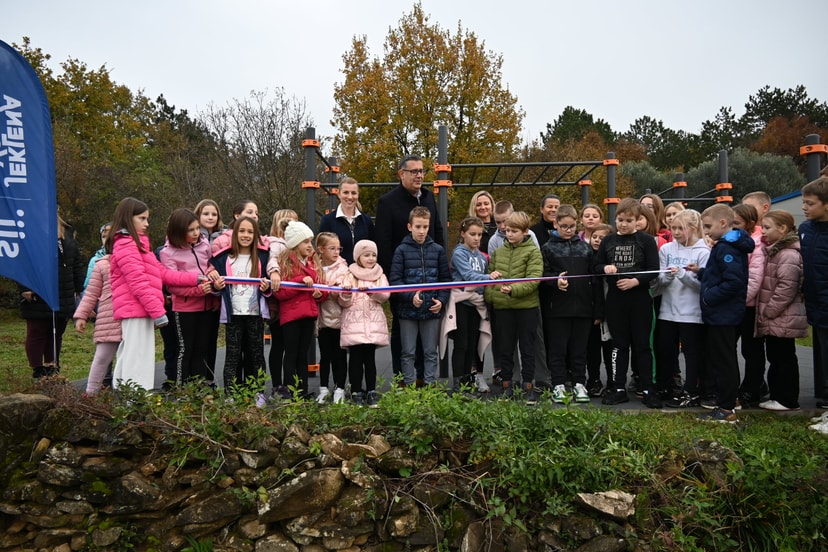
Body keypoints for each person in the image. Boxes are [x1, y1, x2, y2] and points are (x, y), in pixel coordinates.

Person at [108, 197, 203, 390]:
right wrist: (157, 312)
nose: (147, 223)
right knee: (138, 356)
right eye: (142, 218)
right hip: (136, 311)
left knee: (131, 354)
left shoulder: (138, 245)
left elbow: (162, 273)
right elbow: (138, 283)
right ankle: (136, 399)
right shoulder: (127, 245)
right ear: (128, 218)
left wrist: (195, 278)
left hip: (141, 310)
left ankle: (127, 397)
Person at [375, 155, 444, 380]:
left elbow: (437, 230)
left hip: (430, 275)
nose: (419, 175)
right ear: (401, 174)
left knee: (428, 334)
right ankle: (401, 378)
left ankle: (426, 378)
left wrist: (441, 260)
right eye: (414, 171)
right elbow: (383, 242)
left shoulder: (429, 198)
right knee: (403, 335)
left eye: (422, 171)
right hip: (402, 279)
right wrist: (392, 281)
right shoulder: (388, 202)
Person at [593, 198, 662, 408]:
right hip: (615, 300)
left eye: (628, 220)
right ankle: (618, 387)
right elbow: (596, 266)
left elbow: (653, 269)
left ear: (638, 220)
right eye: (620, 220)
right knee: (619, 345)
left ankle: (648, 387)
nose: (623, 224)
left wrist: (635, 281)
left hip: (639, 298)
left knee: (642, 345)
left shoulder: (646, 240)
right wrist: (605, 268)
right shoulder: (608, 240)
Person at [689, 203, 754, 423]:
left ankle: (726, 409)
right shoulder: (724, 245)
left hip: (723, 314)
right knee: (722, 357)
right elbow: (720, 275)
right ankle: (729, 400)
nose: (706, 231)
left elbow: (733, 282)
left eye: (708, 226)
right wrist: (702, 273)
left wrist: (708, 296)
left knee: (724, 360)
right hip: (720, 313)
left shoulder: (727, 248)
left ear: (723, 223)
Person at [541, 204, 600, 403]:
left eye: (572, 226)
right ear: (555, 223)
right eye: (564, 226)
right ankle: (558, 384)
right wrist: (555, 281)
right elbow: (542, 275)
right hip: (557, 309)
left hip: (583, 308)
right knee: (557, 349)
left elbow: (594, 277)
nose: (568, 230)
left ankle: (579, 383)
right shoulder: (547, 248)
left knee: (579, 350)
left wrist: (595, 307)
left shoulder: (585, 247)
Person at [484, 211, 543, 403]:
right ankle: (507, 385)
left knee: (527, 348)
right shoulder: (499, 252)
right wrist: (493, 296)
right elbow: (490, 279)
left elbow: (533, 280)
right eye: (507, 230)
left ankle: (528, 386)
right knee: (505, 349)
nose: (509, 234)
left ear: (525, 231)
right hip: (503, 309)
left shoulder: (533, 251)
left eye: (514, 231)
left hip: (526, 308)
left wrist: (513, 290)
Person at [654, 209, 710, 408]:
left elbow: (703, 285)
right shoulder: (667, 249)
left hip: (692, 314)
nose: (676, 232)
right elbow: (659, 281)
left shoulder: (704, 252)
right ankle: (666, 387)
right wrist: (667, 276)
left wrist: (683, 276)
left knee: (691, 353)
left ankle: (691, 391)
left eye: (681, 228)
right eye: (673, 228)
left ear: (694, 228)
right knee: (665, 351)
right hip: (668, 311)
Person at [389, 206, 450, 387]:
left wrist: (441, 300)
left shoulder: (438, 250)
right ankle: (408, 386)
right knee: (408, 351)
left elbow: (445, 280)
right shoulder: (401, 250)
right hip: (407, 311)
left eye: (425, 227)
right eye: (418, 227)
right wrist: (409, 297)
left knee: (431, 351)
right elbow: (395, 280)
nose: (422, 231)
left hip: (431, 309)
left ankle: (430, 385)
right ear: (410, 227)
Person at [159, 208, 221, 387]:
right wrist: (198, 291)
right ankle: (181, 388)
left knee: (202, 349)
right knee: (185, 349)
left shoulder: (204, 245)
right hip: (185, 309)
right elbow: (173, 287)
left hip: (207, 305)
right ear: (179, 231)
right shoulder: (168, 252)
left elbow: (209, 265)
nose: (196, 233)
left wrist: (213, 273)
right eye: (191, 230)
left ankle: (199, 388)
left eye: (197, 228)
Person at [20, 214, 85, 379]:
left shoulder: (68, 238)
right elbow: (23, 263)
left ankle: (52, 366)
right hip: (39, 293)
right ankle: (38, 368)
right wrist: (24, 287)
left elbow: (77, 264)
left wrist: (79, 288)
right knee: (37, 331)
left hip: (63, 295)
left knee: (56, 332)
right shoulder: (31, 236)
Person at [755, 210, 807, 411]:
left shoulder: (787, 255)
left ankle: (786, 399)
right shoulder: (776, 251)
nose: (763, 232)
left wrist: (769, 311)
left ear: (783, 229)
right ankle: (778, 396)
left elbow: (787, 287)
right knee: (777, 357)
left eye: (767, 228)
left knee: (783, 358)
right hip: (778, 317)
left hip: (781, 317)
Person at [211, 216, 270, 389]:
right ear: (234, 233)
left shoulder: (263, 256)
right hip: (233, 314)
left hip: (255, 314)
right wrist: (216, 286)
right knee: (233, 355)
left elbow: (269, 285)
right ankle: (231, 393)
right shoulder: (222, 257)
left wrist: (266, 288)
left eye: (250, 232)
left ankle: (257, 392)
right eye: (242, 231)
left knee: (256, 354)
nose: (246, 235)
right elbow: (213, 283)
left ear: (256, 234)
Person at [442, 217, 496, 393]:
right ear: (463, 234)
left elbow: (478, 281)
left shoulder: (482, 257)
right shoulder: (459, 253)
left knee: (472, 344)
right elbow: (469, 276)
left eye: (479, 235)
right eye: (472, 234)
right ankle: (458, 382)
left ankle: (467, 380)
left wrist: (485, 284)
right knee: (461, 344)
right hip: (460, 304)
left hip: (476, 305)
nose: (476, 238)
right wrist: (489, 278)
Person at [275, 221, 328, 399]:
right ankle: (290, 390)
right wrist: (299, 281)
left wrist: (319, 294)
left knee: (302, 355)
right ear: (295, 244)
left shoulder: (314, 263)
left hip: (308, 315)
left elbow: (324, 287)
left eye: (310, 241)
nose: (309, 246)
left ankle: (303, 391)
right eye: (305, 242)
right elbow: (280, 292)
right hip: (291, 316)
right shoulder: (285, 262)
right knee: (291, 354)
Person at [339, 240, 391, 406]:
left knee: (370, 359)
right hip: (354, 325)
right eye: (366, 255)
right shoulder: (349, 275)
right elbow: (343, 301)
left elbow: (385, 295)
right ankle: (355, 390)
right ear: (358, 257)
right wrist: (346, 293)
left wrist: (372, 292)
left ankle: (371, 390)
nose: (371, 258)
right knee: (355, 359)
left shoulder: (380, 275)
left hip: (372, 324)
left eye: (373, 255)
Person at [732, 202, 767, 407]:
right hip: (735, 304)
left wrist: (740, 300)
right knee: (730, 347)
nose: (733, 227)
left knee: (751, 350)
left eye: (737, 223)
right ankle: (745, 386)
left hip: (748, 305)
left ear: (750, 223)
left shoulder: (756, 245)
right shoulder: (735, 241)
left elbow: (754, 278)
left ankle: (753, 388)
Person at [800, 177, 828, 430]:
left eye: (810, 203)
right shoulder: (806, 229)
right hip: (816, 302)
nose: (804, 208)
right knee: (822, 355)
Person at [74, 247, 120, 396]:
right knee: (101, 358)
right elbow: (91, 292)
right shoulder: (101, 264)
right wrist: (82, 315)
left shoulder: (138, 261)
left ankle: (129, 398)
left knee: (129, 360)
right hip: (109, 318)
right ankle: (91, 394)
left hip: (133, 318)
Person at [265, 210, 298, 398]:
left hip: (294, 302)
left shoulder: (298, 244)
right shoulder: (275, 244)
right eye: (287, 223)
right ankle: (278, 384)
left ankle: (291, 384)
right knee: (278, 345)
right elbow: (272, 261)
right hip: (279, 303)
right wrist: (275, 272)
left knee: (292, 347)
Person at [315, 232, 349, 404]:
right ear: (321, 249)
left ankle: (340, 387)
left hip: (338, 319)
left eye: (338, 248)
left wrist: (336, 291)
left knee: (339, 356)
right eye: (332, 248)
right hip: (321, 321)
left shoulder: (343, 269)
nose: (336, 252)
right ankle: (323, 388)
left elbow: (346, 295)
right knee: (324, 355)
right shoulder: (315, 267)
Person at [584, 223, 614, 397]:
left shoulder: (610, 260)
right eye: (594, 236)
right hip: (591, 311)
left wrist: (601, 312)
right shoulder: (587, 257)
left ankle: (612, 380)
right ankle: (594, 379)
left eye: (602, 238)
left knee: (610, 349)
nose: (597, 240)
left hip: (609, 311)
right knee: (592, 350)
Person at [319, 177, 374, 265]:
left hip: (362, 274)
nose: (350, 196)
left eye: (353, 193)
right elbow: (322, 251)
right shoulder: (327, 220)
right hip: (337, 274)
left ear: (358, 195)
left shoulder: (367, 221)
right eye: (346, 192)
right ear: (339, 194)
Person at [467, 191, 497, 255]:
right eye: (478, 205)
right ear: (474, 207)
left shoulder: (500, 226)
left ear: (492, 205)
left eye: (486, 204)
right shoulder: (467, 227)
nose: (483, 207)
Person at [84, 222, 112, 290]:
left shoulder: (125, 257)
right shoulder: (95, 260)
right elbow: (88, 286)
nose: (106, 240)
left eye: (109, 236)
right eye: (103, 237)